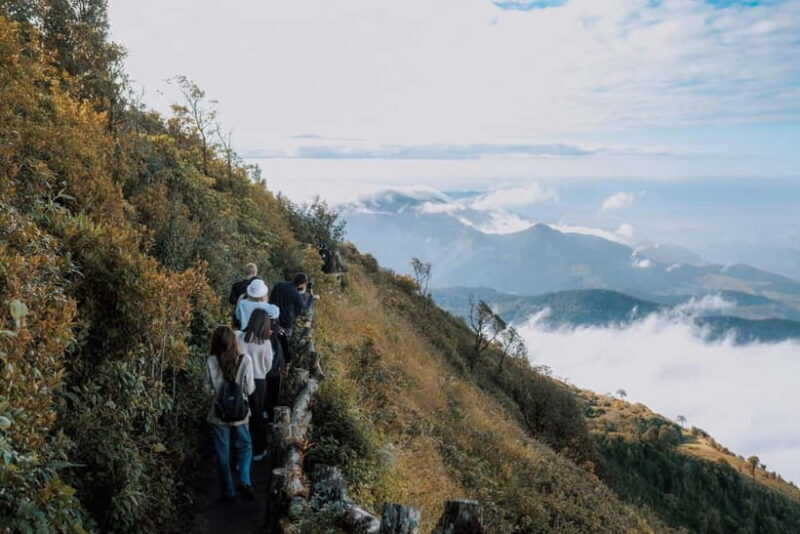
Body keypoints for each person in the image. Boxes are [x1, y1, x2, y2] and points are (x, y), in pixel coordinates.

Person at [205, 325, 256, 501]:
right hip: (240, 413)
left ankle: (229, 491)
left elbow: (207, 390)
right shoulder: (245, 360)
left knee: (222, 452)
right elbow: (249, 389)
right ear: (234, 341)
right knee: (245, 446)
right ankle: (244, 480)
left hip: (219, 413)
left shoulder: (211, 361)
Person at [235, 308, 276, 461]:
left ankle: (241, 449)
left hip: (241, 380)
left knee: (241, 415)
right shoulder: (265, 343)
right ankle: (258, 449)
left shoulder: (239, 337)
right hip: (259, 381)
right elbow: (268, 365)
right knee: (257, 415)